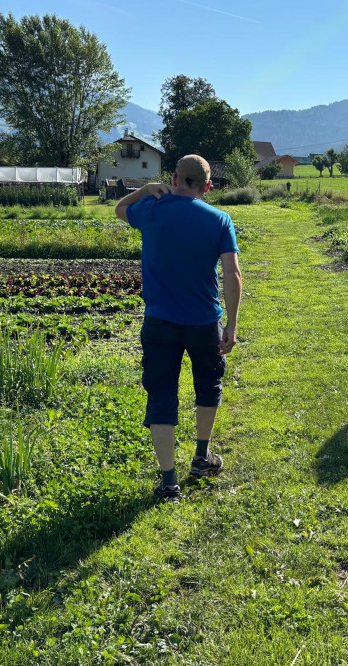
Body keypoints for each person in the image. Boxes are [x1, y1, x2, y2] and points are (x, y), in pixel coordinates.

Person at [115, 154, 242, 499]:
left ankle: (168, 480)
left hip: (159, 322)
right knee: (208, 384)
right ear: (208, 186)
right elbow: (232, 274)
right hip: (203, 321)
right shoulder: (220, 220)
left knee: (162, 395)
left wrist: (144, 191)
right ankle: (201, 457)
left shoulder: (151, 210)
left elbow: (118, 209)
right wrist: (231, 323)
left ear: (173, 179)